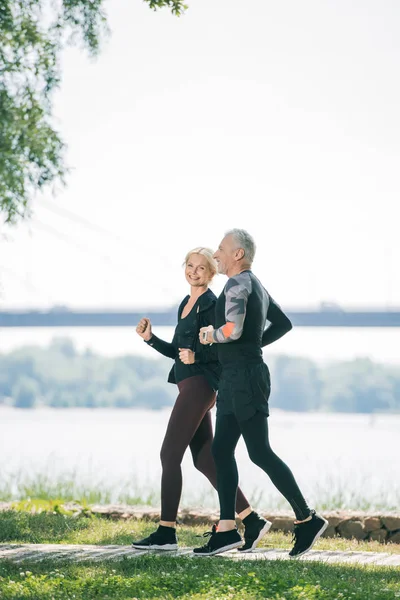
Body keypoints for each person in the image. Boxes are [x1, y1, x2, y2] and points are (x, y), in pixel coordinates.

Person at [194, 230, 328, 557]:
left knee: (260, 452)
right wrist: (250, 348)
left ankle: (307, 519)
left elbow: (233, 330)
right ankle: (227, 529)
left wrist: (211, 335)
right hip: (236, 376)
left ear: (238, 254)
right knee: (221, 450)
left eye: (222, 249)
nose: (216, 253)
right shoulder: (254, 284)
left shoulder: (238, 283)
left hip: (244, 378)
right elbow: (282, 324)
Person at [131, 247, 271, 552]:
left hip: (200, 387)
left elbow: (222, 345)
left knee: (169, 455)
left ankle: (166, 532)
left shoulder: (209, 302)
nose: (194, 272)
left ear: (211, 273)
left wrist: (199, 355)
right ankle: (251, 518)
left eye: (202, 268)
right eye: (190, 266)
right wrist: (150, 338)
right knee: (204, 458)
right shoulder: (186, 302)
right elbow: (179, 353)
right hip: (189, 386)